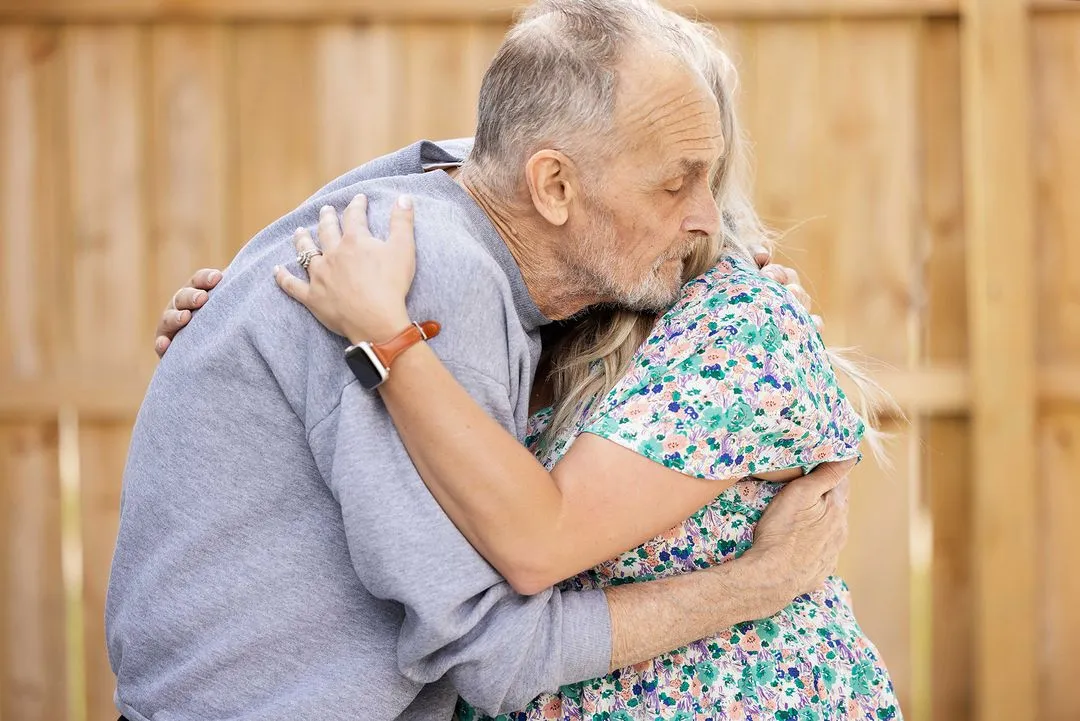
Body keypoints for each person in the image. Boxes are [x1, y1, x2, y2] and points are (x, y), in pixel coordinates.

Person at [113, 2, 855, 721]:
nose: (706, 220)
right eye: (675, 183)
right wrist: (760, 583)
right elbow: (492, 648)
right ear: (555, 186)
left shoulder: (435, 203)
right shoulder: (433, 275)